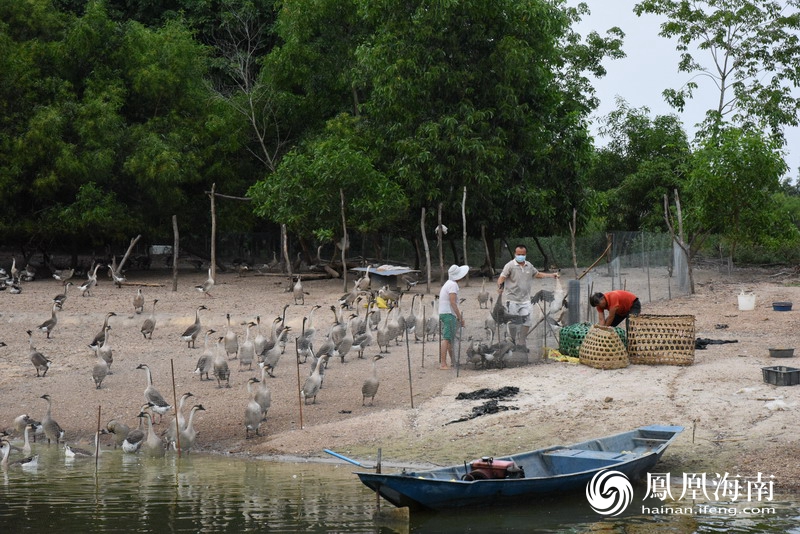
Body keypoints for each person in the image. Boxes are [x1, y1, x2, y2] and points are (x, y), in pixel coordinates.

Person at [496, 244, 559, 349]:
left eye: (522, 254)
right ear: (515, 254)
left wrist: (551, 275)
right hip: (512, 300)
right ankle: (512, 340)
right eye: (518, 254)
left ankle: (521, 342)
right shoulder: (510, 265)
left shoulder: (529, 265)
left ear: (525, 254)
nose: (520, 256)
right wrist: (500, 286)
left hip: (526, 300)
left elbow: (537, 274)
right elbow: (501, 277)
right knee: (513, 323)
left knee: (528, 321)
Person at [439, 264, 468, 370]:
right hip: (448, 313)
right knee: (447, 338)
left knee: (450, 339)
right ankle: (443, 363)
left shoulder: (448, 283)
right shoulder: (453, 285)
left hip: (444, 312)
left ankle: (453, 361)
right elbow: (453, 302)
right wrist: (460, 317)